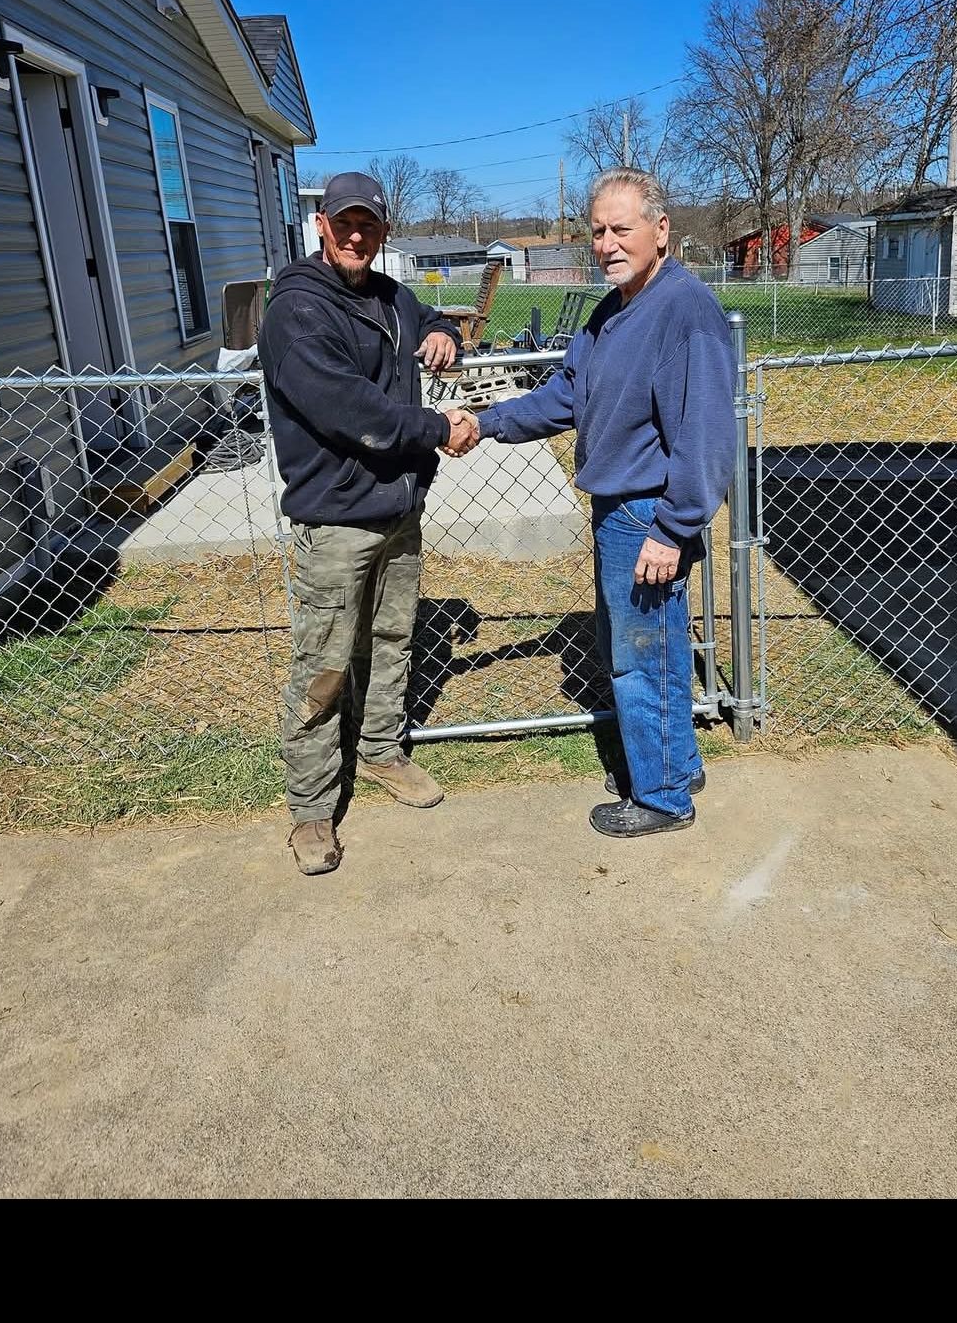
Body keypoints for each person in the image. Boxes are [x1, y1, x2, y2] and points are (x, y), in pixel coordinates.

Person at [468, 169, 737, 839]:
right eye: (598, 231)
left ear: (661, 229)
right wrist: (486, 422)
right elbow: (566, 397)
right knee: (654, 650)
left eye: (622, 228)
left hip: (649, 516)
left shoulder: (684, 310)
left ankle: (664, 797)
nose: (608, 243)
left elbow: (706, 434)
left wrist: (673, 529)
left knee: (640, 659)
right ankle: (675, 765)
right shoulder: (611, 313)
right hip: (620, 513)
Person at [257, 171, 478, 876]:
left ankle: (381, 750)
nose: (357, 236)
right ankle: (312, 810)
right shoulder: (296, 310)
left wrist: (443, 334)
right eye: (344, 223)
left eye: (370, 226)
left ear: (384, 233)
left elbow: (430, 320)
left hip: (399, 512)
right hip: (338, 520)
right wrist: (437, 426)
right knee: (323, 665)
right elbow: (353, 411)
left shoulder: (389, 296)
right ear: (321, 225)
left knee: (390, 640)